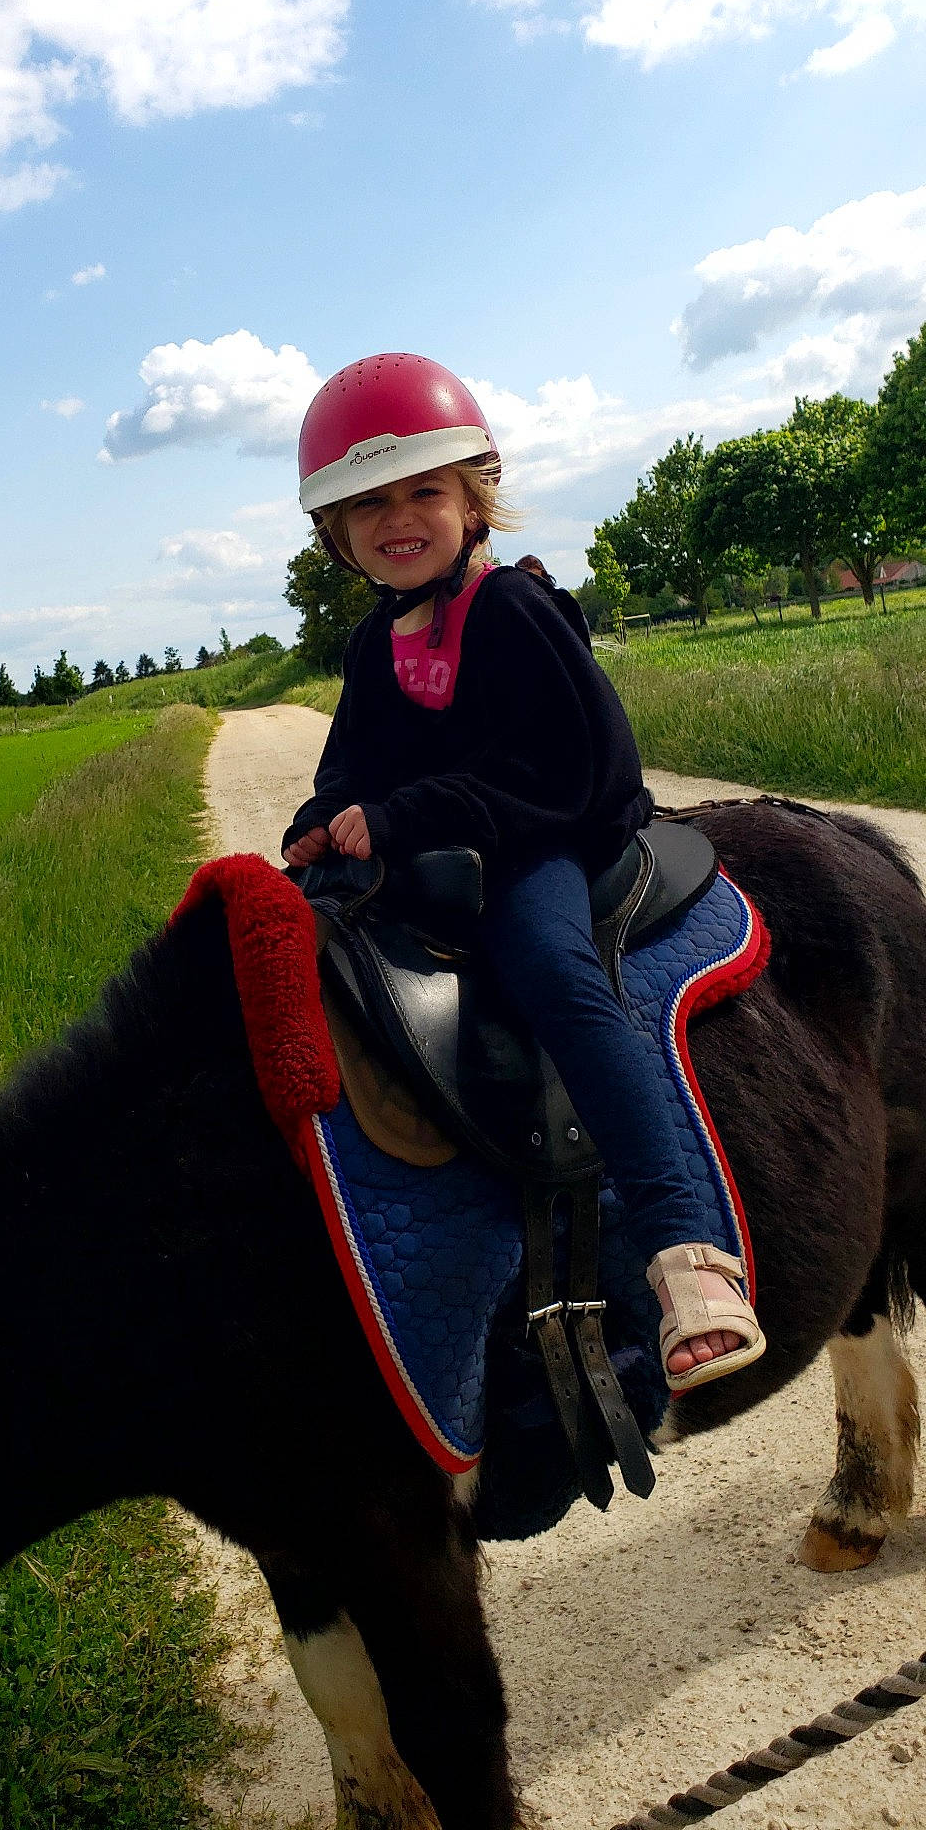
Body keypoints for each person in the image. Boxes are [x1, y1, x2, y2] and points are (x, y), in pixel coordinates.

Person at [281, 353, 764, 1392]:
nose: (395, 518)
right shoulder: (375, 644)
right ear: (336, 532)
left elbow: (572, 765)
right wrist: (322, 822)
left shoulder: (512, 610)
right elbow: (351, 766)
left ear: (473, 497)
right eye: (366, 503)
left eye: (423, 490)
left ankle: (686, 1254)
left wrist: (408, 813)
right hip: (436, 862)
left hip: (538, 842)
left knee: (553, 975)